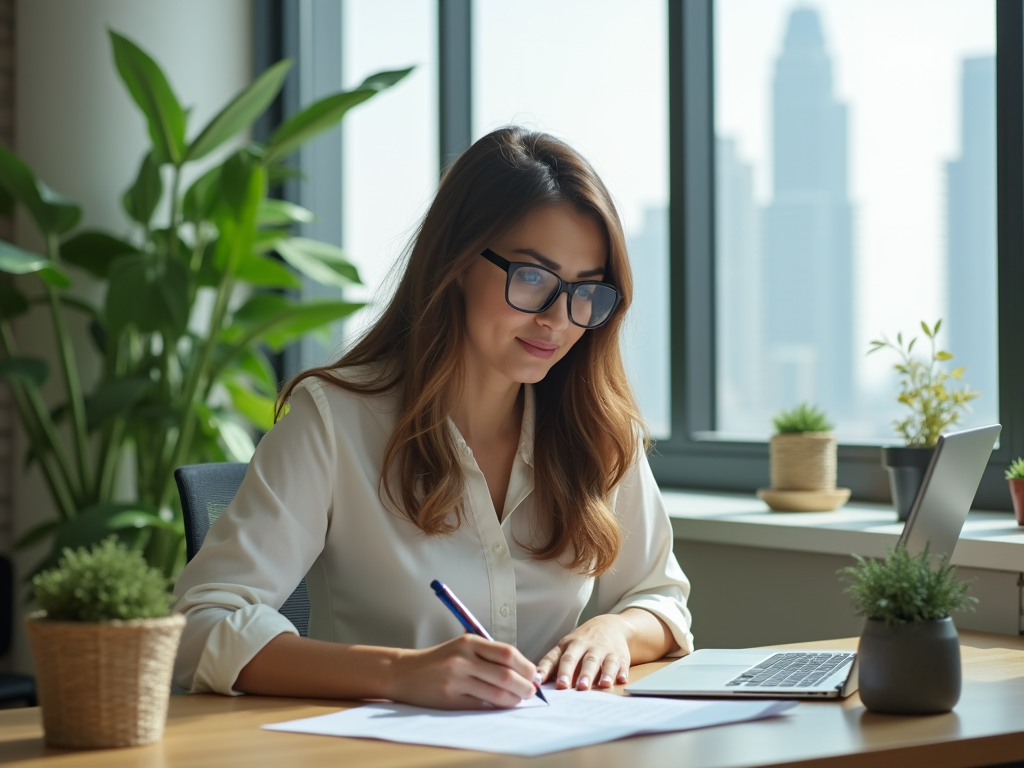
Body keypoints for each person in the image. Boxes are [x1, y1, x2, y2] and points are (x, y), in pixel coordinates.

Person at [172, 126, 693, 710]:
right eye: (532, 278)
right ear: (459, 262)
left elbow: (661, 598)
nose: (557, 319)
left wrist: (615, 631)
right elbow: (197, 624)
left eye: (585, 292)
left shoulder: (596, 430)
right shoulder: (334, 422)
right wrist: (399, 672)